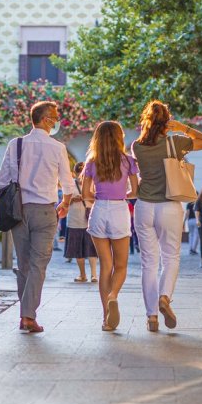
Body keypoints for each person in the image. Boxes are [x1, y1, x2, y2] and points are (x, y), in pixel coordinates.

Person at [131, 100, 202, 332]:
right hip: (169, 206)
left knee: (149, 263)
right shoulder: (175, 142)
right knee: (171, 258)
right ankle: (164, 297)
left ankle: (151, 317)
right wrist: (182, 128)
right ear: (167, 120)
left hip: (144, 206)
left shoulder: (137, 146)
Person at [0, 101, 74, 333]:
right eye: (55, 116)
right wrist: (66, 203)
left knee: (25, 265)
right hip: (46, 210)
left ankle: (25, 315)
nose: (57, 120)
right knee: (39, 265)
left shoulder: (16, 144)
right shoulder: (57, 147)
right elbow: (68, 183)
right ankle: (28, 316)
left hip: (19, 210)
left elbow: (2, 180)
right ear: (47, 119)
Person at [82, 121, 139, 332]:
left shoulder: (92, 162)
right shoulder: (128, 161)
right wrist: (123, 195)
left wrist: (98, 196)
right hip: (119, 211)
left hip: (99, 211)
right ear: (119, 137)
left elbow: (85, 194)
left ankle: (107, 318)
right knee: (121, 265)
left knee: (105, 266)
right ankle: (113, 295)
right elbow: (136, 191)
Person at [63, 162, 98, 283]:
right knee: (78, 250)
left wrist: (86, 197)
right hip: (74, 221)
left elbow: (98, 199)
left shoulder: (93, 182)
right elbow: (64, 202)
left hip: (89, 219)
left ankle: (94, 275)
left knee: (92, 249)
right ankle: (82, 274)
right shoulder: (70, 185)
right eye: (79, 173)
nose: (80, 176)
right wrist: (73, 199)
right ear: (75, 173)